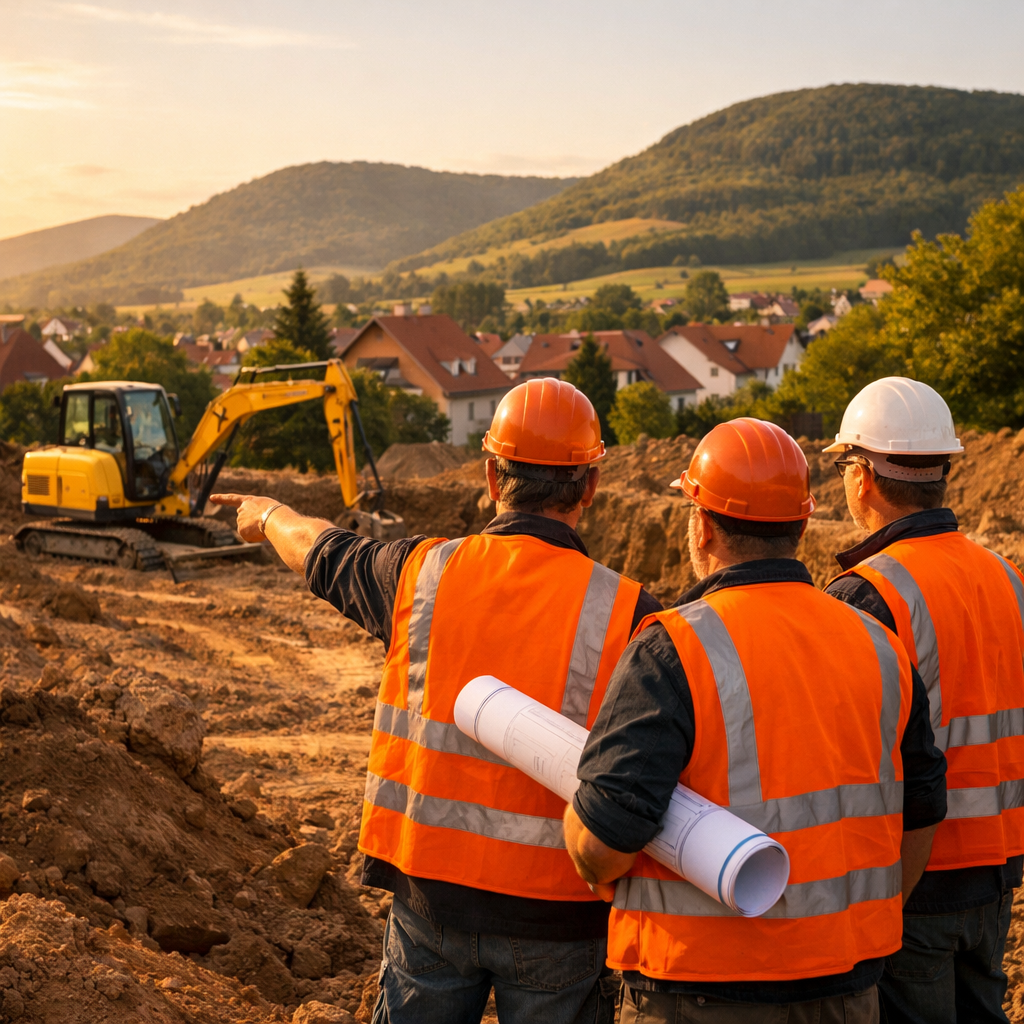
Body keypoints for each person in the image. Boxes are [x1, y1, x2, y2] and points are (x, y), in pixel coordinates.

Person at [211, 378, 661, 1024]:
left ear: (489, 475)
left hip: (430, 905)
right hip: (558, 918)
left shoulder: (421, 575)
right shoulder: (631, 617)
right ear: (589, 488)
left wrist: (270, 515)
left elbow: (320, 550)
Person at [562, 417, 948, 1024]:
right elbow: (922, 809)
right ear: (801, 525)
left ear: (702, 524)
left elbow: (603, 848)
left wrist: (579, 837)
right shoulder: (878, 643)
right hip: (846, 991)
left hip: (702, 992)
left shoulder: (673, 648)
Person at [822, 377, 1024, 1024]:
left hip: (909, 879)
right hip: (994, 872)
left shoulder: (868, 596)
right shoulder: (1005, 577)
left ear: (863, 477)